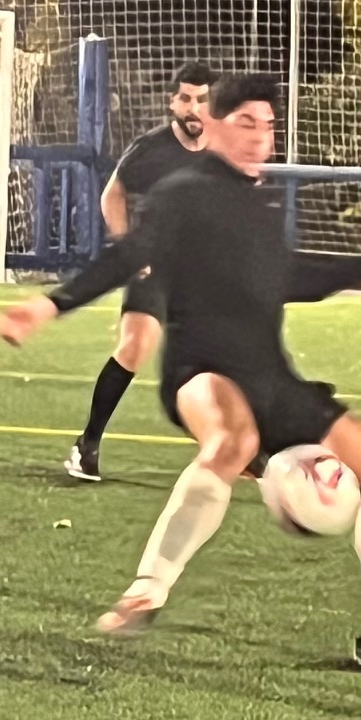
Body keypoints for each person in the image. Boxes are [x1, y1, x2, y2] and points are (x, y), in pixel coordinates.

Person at [0, 72, 361, 679]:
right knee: (232, 442)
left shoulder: (258, 202)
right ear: (213, 125)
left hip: (272, 377)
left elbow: (288, 279)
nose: (260, 136)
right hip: (202, 366)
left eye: (268, 125)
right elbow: (131, 253)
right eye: (246, 123)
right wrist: (50, 305)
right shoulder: (182, 192)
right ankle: (148, 589)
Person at [64, 60, 213, 482]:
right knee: (135, 346)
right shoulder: (151, 149)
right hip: (154, 268)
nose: (193, 108)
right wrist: (129, 247)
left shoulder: (226, 151)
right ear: (172, 102)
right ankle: (87, 445)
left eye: (202, 100)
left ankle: (235, 448)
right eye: (185, 99)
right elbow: (112, 194)